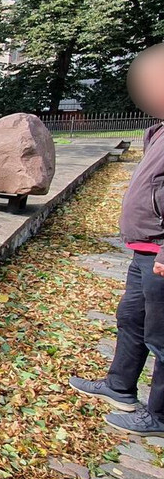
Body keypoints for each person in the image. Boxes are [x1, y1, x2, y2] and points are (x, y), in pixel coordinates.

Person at [71, 44, 164, 436]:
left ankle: (159, 415)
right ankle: (120, 385)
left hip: (160, 251)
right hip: (143, 247)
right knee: (132, 319)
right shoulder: (158, 130)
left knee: (162, 336)